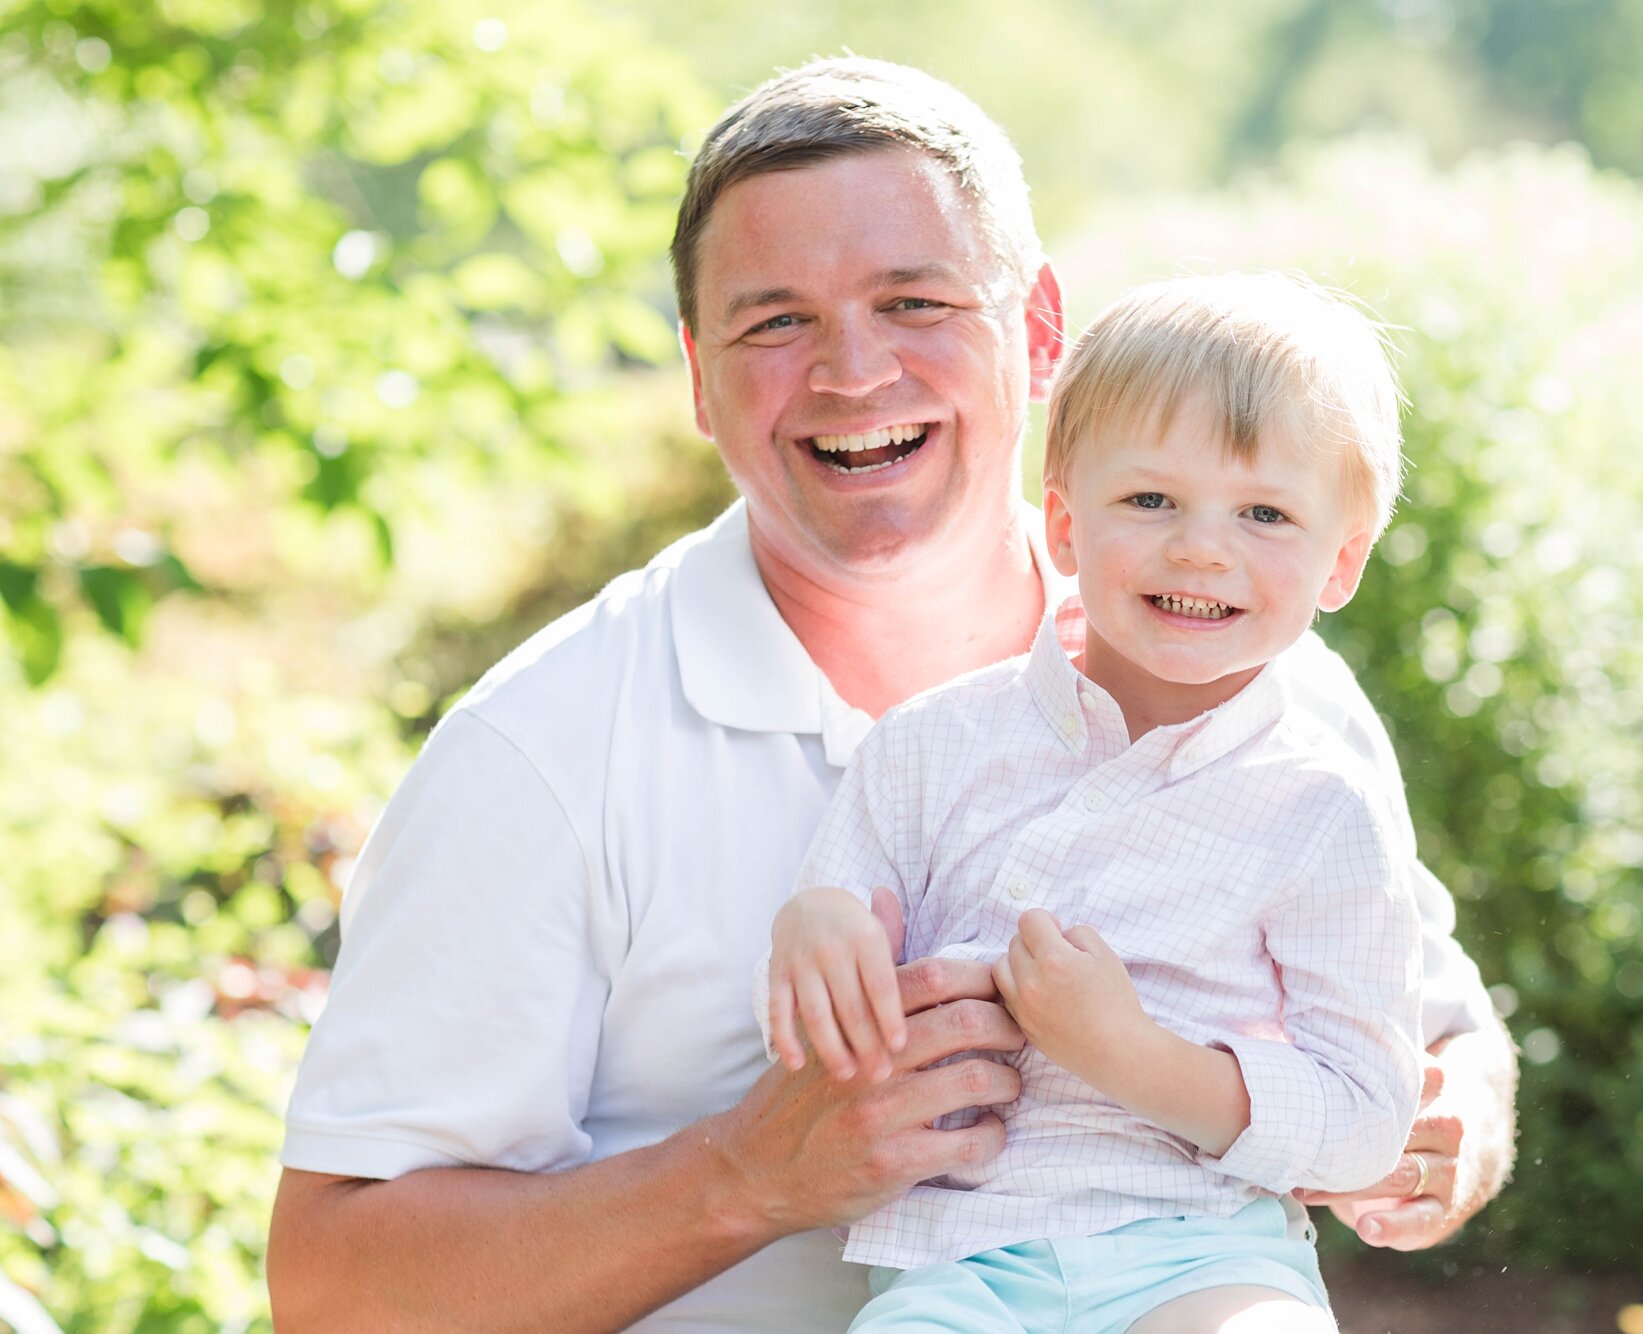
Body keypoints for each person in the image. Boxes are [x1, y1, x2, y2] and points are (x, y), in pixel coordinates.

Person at [266, 58, 1517, 1334]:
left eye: (912, 301)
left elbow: (1440, 1040)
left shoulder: (1257, 677)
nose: (852, 373)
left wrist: (1446, 1137)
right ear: (699, 376)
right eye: (775, 322)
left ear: (1037, 331)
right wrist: (742, 1176)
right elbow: (331, 1289)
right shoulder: (535, 755)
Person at [765, 272, 1426, 1332]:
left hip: (1200, 1249)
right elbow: (847, 902)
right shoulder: (933, 744)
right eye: (1150, 499)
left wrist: (1130, 1054)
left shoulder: (1316, 806)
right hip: (959, 1260)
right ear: (1065, 526)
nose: (1201, 546)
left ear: (1337, 561)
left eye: (1264, 512)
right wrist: (817, 919)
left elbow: (1362, 1121)